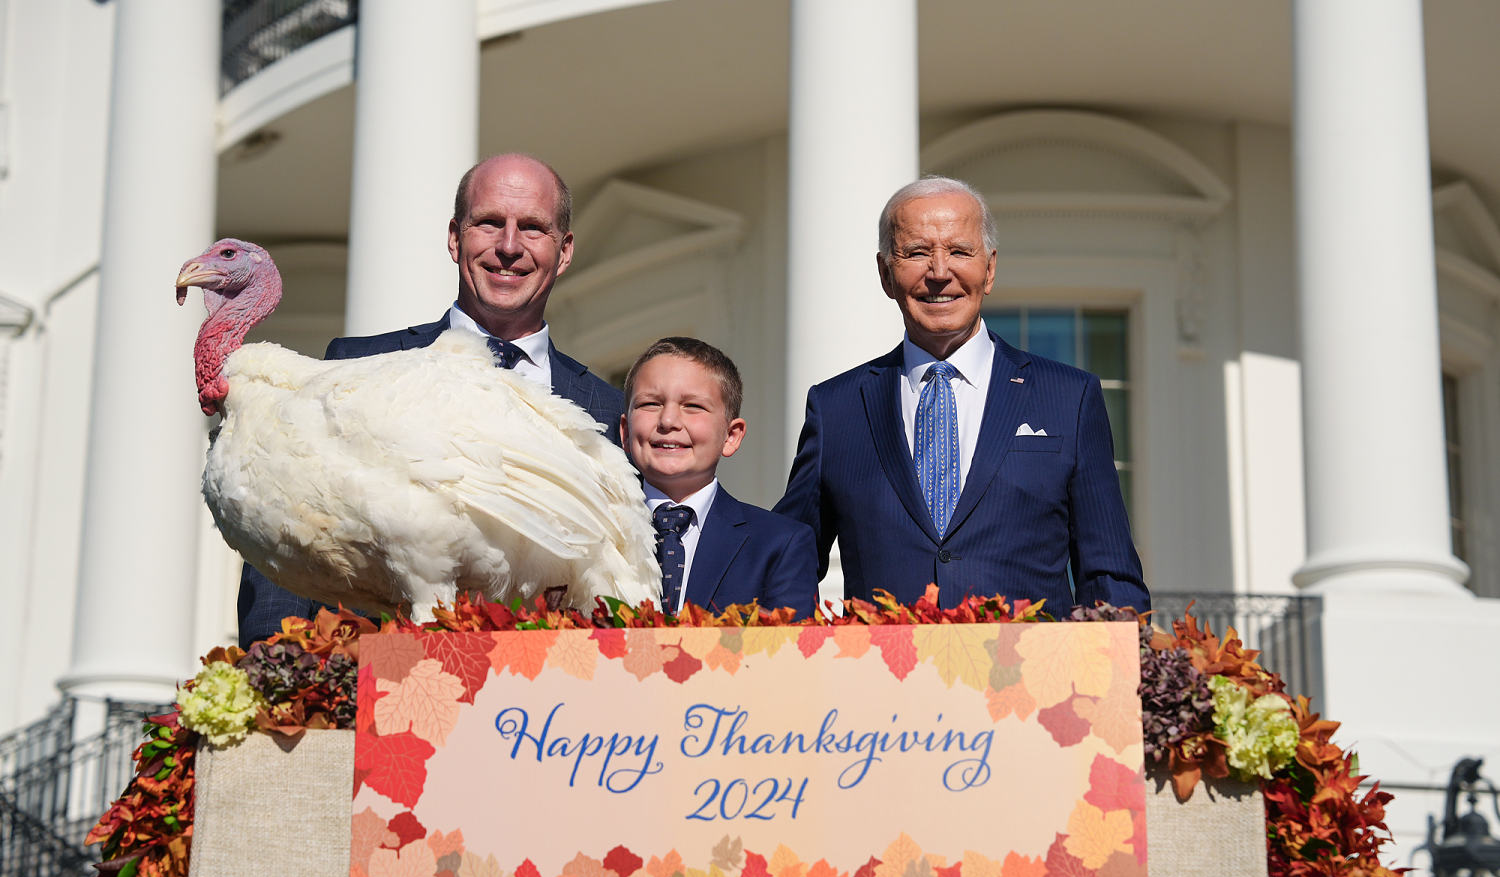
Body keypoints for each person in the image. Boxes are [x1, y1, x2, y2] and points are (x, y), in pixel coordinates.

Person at [237, 153, 624, 645]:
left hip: (546, 701)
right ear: (454, 237)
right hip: (374, 690)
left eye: (532, 228)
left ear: (564, 250)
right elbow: (286, 534)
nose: (509, 246)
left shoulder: (608, 412)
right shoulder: (354, 365)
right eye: (488, 223)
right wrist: (279, 674)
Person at [773, 176, 1149, 614]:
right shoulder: (837, 408)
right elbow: (786, 566)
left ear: (989, 269)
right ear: (885, 273)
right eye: (916, 252)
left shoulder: (1070, 397)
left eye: (958, 251)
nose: (938, 272)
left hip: (1031, 676)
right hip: (883, 677)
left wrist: (1123, 672)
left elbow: (1109, 576)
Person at [621, 338, 818, 620]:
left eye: (692, 406)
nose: (668, 421)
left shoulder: (781, 545)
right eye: (650, 403)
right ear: (625, 432)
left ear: (731, 436)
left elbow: (791, 656)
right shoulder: (589, 533)